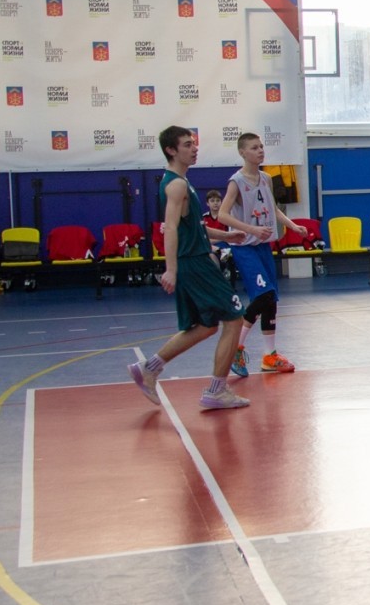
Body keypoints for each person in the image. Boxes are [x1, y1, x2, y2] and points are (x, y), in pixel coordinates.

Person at [125, 126, 250, 411]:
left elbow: (192, 226)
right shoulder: (176, 185)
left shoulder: (181, 182)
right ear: (171, 150)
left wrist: (226, 236)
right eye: (186, 144)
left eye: (193, 143)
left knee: (206, 326)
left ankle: (149, 368)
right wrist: (170, 269)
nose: (194, 148)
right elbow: (169, 228)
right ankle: (217, 390)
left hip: (192, 260)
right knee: (234, 319)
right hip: (194, 262)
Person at [216, 132, 307, 379]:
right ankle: (236, 347)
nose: (260, 151)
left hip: (263, 245)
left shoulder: (266, 178)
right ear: (242, 152)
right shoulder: (236, 182)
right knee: (264, 294)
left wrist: (293, 225)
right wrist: (251, 229)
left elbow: (273, 209)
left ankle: (269, 356)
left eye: (261, 146)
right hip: (245, 246)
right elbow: (222, 215)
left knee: (271, 299)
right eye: (254, 147)